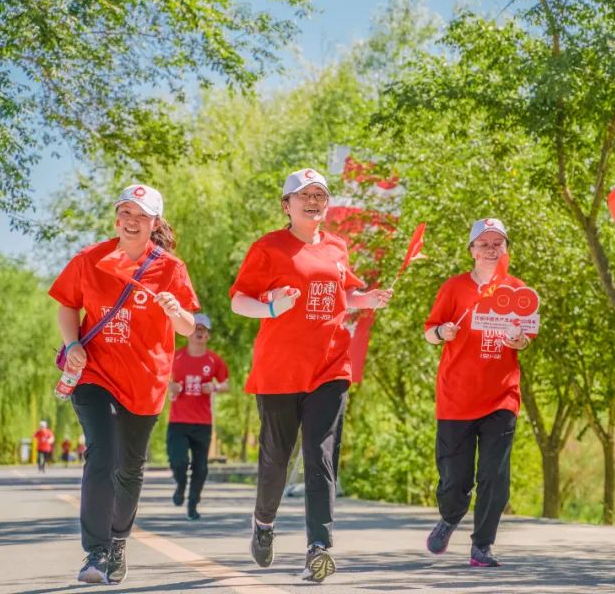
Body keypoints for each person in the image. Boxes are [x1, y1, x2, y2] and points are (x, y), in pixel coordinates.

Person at [230, 168, 392, 583]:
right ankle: (263, 523)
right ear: (286, 205)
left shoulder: (337, 247)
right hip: (279, 372)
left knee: (320, 456)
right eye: (304, 195)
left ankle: (318, 548)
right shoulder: (268, 248)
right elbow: (239, 301)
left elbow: (344, 294)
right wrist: (271, 308)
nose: (313, 201)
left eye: (320, 194)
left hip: (330, 367)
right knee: (276, 460)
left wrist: (365, 299)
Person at [49, 184, 198, 584]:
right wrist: (72, 343)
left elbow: (188, 327)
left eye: (142, 215)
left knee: (129, 467)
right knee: (102, 454)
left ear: (155, 223)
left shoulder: (170, 268)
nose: (132, 222)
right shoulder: (90, 259)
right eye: (126, 213)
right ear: (117, 218)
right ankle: (96, 551)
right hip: (95, 372)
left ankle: (118, 542)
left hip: (145, 381)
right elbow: (67, 304)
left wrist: (175, 310)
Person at [422, 218, 535, 568]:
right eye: (483, 243)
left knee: (494, 476)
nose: (491, 249)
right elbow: (429, 331)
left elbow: (527, 336)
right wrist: (442, 332)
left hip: (501, 396)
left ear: (506, 248)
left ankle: (482, 545)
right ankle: (450, 516)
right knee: (455, 479)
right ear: (471, 250)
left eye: (497, 243)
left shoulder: (518, 290)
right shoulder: (454, 288)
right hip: (456, 396)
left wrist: (520, 341)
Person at [166, 312, 229, 520]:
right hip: (178, 421)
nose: (199, 332)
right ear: (188, 333)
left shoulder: (214, 360)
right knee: (178, 461)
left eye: (203, 329)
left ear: (208, 335)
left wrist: (214, 387)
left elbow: (226, 384)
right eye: (196, 328)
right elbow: (162, 378)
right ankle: (180, 485)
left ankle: (193, 505)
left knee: (201, 468)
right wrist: (171, 387)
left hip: (202, 423)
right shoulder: (176, 357)